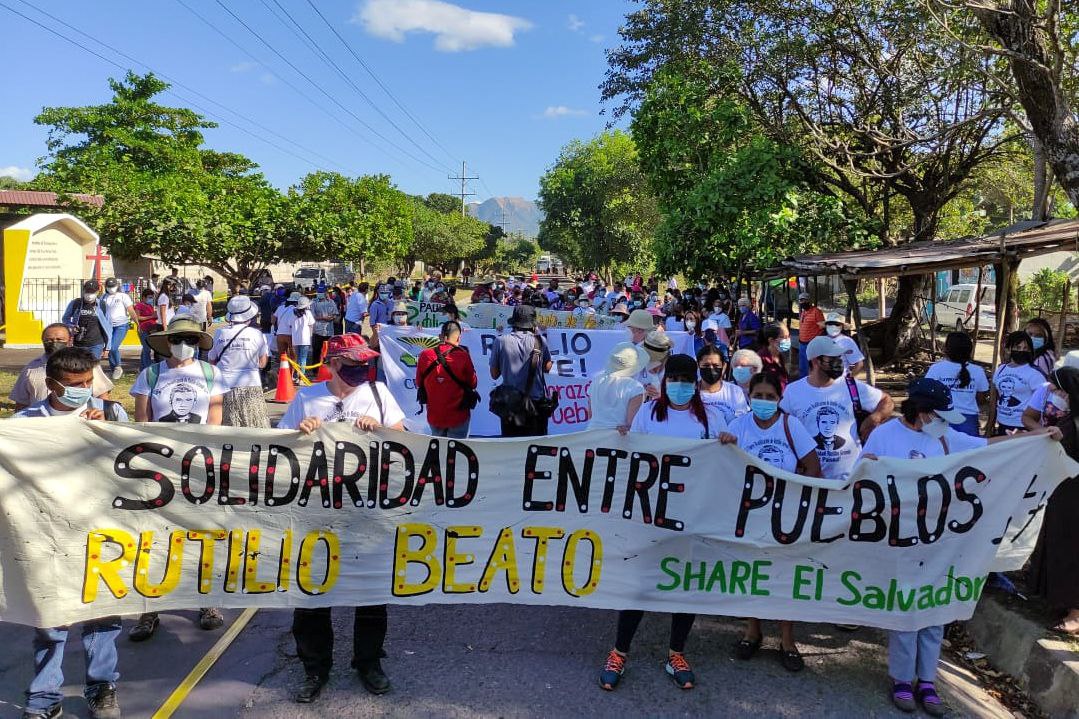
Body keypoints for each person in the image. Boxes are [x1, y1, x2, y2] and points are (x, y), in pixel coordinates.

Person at [860, 377, 1060, 715]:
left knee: (935, 608)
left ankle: (927, 680)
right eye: (939, 416)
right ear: (922, 412)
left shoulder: (945, 436)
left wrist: (1037, 436)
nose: (944, 423)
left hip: (942, 541)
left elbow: (989, 445)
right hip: (900, 539)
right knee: (905, 609)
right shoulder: (885, 436)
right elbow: (862, 477)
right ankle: (902, 679)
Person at [279, 334, 403, 702]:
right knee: (312, 591)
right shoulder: (307, 397)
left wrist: (380, 428)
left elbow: (403, 440)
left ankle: (369, 662)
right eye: (353, 363)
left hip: (366, 510)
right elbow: (279, 447)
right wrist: (299, 432)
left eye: (366, 363)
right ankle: (315, 667)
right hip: (316, 512)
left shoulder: (378, 393)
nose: (363, 369)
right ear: (333, 364)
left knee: (370, 591)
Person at [599, 353, 725, 692]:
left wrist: (729, 443)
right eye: (674, 379)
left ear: (695, 383)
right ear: (665, 381)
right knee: (639, 585)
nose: (680, 385)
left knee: (684, 586)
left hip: (693, 516)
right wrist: (624, 437)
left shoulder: (712, 419)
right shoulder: (648, 413)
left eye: (686, 380)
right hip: (651, 515)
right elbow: (633, 455)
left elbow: (725, 462)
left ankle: (676, 654)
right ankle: (619, 652)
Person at [14, 347, 126, 719]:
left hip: (101, 534)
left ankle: (102, 687)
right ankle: (44, 698)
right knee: (50, 620)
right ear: (51, 385)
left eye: (88, 382)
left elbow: (133, 466)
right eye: (74, 385)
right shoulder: (25, 423)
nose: (83, 391)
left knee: (103, 616)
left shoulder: (111, 414)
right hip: (47, 537)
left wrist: (108, 433)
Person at [128, 317, 227, 641]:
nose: (184, 344)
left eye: (191, 339)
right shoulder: (151, 375)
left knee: (201, 536)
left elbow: (215, 421)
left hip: (198, 467)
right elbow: (142, 422)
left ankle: (207, 602)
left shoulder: (211, 374)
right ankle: (149, 608)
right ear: (167, 342)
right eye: (178, 338)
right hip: (159, 468)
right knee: (153, 539)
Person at [720, 370, 821, 672]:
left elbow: (812, 467)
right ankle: (752, 631)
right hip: (749, 513)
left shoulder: (791, 425)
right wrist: (724, 443)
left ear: (779, 398)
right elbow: (723, 465)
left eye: (770, 396)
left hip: (784, 515)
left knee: (784, 575)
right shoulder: (738, 426)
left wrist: (795, 499)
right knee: (752, 572)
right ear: (749, 397)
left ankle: (787, 639)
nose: (763, 401)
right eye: (758, 396)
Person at [780, 336, 893, 480]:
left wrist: (874, 418)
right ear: (816, 361)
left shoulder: (852, 387)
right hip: (810, 481)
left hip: (850, 480)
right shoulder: (792, 392)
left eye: (839, 357)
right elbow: (780, 427)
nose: (839, 362)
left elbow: (886, 401)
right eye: (833, 358)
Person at [1028, 364, 1079, 636]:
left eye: (1058, 389)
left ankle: (1076, 613)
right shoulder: (1068, 417)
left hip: (1074, 497)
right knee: (1058, 542)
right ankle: (1059, 599)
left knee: (1073, 548)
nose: (1055, 394)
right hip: (1062, 493)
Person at [9, 324, 114, 411]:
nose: (54, 343)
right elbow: (21, 403)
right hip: (42, 421)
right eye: (49, 340)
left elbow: (102, 395)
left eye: (59, 339)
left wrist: (104, 416)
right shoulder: (31, 369)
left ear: (70, 340)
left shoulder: (86, 364)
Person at [490, 305, 554, 438]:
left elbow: (494, 374)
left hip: (509, 405)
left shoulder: (500, 341)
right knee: (537, 445)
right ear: (532, 324)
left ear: (514, 322)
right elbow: (547, 368)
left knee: (512, 445)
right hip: (535, 405)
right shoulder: (540, 341)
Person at [209, 295, 270, 428]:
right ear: (249, 316)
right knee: (254, 426)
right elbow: (262, 363)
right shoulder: (257, 334)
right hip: (251, 385)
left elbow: (211, 360)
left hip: (224, 385)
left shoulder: (219, 333)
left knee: (228, 427)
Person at [416, 320, 478, 438]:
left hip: (435, 416)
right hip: (458, 417)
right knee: (458, 448)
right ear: (458, 338)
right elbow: (473, 383)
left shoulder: (425, 355)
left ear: (440, 336)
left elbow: (419, 382)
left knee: (438, 447)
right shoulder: (463, 356)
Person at [926, 332, 989, 436]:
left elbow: (927, 394)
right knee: (968, 446)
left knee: (941, 446)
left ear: (946, 349)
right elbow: (981, 399)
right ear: (969, 350)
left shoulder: (936, 369)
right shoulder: (978, 371)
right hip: (968, 421)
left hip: (942, 418)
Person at [992, 330, 1045, 435]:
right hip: (1002, 423)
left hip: (1022, 427)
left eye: (1025, 348)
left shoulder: (1035, 373)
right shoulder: (1001, 369)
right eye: (1018, 347)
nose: (1022, 351)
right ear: (1008, 349)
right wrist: (991, 424)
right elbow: (996, 397)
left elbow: (1041, 402)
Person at [588, 342, 648, 431]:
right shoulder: (636, 387)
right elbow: (632, 424)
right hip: (618, 436)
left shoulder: (596, 380)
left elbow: (590, 415)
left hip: (592, 433)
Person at [697, 344, 749, 424]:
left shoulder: (735, 391)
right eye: (706, 365)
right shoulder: (691, 391)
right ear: (698, 365)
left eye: (716, 365)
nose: (711, 369)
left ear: (724, 366)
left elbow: (741, 422)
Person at [62, 279, 111, 361]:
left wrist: (107, 347)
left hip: (96, 344)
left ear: (97, 292)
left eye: (92, 292)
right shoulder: (75, 303)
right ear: (83, 291)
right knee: (79, 366)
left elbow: (108, 327)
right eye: (88, 291)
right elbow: (65, 318)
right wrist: (72, 326)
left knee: (93, 366)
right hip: (78, 343)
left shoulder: (102, 305)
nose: (89, 294)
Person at [100, 277, 138, 379]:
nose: (111, 288)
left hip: (121, 325)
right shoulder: (103, 297)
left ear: (117, 286)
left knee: (113, 347)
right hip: (108, 326)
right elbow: (101, 312)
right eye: (109, 286)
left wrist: (137, 323)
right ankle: (114, 371)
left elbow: (131, 311)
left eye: (113, 286)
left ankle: (118, 366)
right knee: (109, 348)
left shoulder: (123, 296)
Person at [797, 292, 824, 378]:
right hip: (802, 343)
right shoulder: (803, 312)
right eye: (800, 300)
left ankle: (816, 381)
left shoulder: (816, 312)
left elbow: (822, 327)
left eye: (804, 300)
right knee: (803, 366)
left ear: (809, 301)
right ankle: (803, 381)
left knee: (814, 365)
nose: (802, 302)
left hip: (812, 344)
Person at [756, 323, 791, 390]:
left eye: (788, 336)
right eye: (784, 337)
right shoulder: (760, 359)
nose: (788, 340)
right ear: (771, 340)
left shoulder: (780, 356)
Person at [312, 283, 339, 365]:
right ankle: (315, 369)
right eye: (319, 292)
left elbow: (336, 314)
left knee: (328, 351)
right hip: (318, 331)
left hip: (329, 331)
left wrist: (332, 317)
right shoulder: (313, 303)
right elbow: (312, 316)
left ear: (326, 293)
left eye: (321, 292)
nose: (320, 294)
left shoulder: (331, 302)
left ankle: (327, 368)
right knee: (316, 351)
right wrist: (323, 318)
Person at [291, 296, 316, 380]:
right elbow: (311, 324)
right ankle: (301, 376)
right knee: (303, 358)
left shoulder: (293, 312)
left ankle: (297, 374)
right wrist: (311, 336)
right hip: (305, 339)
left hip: (295, 338)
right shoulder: (308, 313)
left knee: (298, 357)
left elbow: (290, 324)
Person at [133, 288, 159, 370]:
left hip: (151, 329)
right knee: (147, 349)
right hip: (143, 329)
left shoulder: (150, 306)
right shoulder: (139, 305)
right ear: (144, 297)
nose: (151, 299)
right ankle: (147, 367)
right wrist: (151, 316)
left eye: (152, 297)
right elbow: (137, 317)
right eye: (149, 297)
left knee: (146, 349)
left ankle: (142, 368)